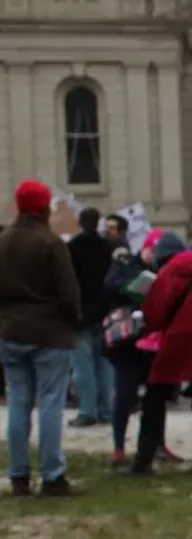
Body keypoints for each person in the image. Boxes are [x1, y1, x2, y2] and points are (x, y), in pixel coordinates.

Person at [0, 179, 82, 497]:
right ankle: (52, 475)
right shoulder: (51, 244)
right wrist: (74, 321)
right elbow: (68, 291)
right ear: (43, 207)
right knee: (50, 403)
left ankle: (19, 475)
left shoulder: (3, 241)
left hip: (10, 331)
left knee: (18, 403)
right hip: (49, 332)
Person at [129, 232, 192, 476]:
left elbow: (156, 313)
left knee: (154, 400)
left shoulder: (168, 273)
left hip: (176, 343)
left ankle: (144, 461)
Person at [66, 207, 117, 427]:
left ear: (80, 222)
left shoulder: (72, 248)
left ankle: (87, 411)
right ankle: (106, 410)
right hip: (105, 312)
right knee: (104, 363)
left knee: (82, 366)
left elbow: (68, 282)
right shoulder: (108, 247)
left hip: (81, 314)